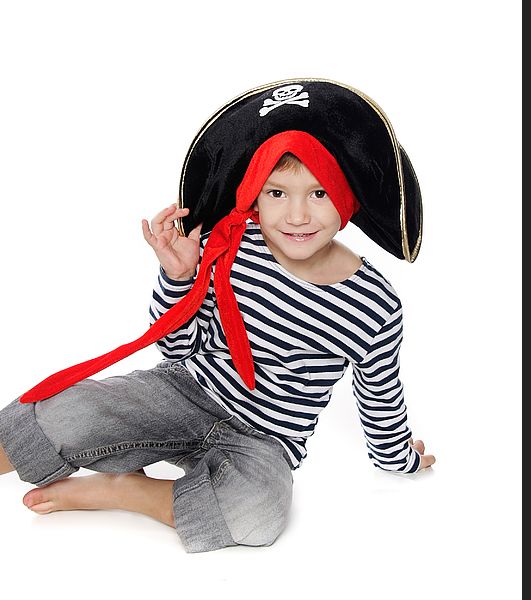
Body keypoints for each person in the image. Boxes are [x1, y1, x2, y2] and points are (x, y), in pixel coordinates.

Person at [0, 80, 435, 553]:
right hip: (184, 392)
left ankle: (126, 489)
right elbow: (177, 348)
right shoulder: (231, 246)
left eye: (318, 194)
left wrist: (400, 460)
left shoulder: (373, 304)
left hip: (265, 438)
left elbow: (380, 397)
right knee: (67, 410)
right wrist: (180, 278)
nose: (296, 215)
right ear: (252, 195)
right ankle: (123, 462)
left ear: (347, 199)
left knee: (257, 510)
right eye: (276, 193)